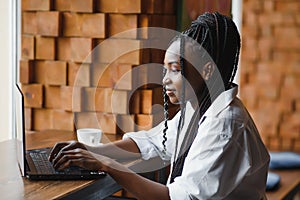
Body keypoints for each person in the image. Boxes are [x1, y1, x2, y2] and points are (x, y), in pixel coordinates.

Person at [49, 12, 270, 199]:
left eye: (175, 69)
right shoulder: (198, 109)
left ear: (207, 71)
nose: (165, 79)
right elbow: (155, 143)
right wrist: (90, 150)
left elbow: (174, 197)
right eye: (166, 70)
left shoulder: (225, 125)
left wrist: (106, 164)